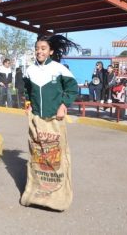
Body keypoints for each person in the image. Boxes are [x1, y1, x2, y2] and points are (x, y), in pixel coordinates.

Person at [21, 35, 79, 211]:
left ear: (51, 51)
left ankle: (57, 197)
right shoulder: (29, 71)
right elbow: (27, 91)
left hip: (55, 119)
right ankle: (36, 193)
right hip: (37, 120)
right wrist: (28, 105)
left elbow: (72, 88)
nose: (39, 51)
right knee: (38, 155)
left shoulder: (59, 69)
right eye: (37, 48)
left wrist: (63, 105)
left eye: (43, 48)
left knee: (56, 155)